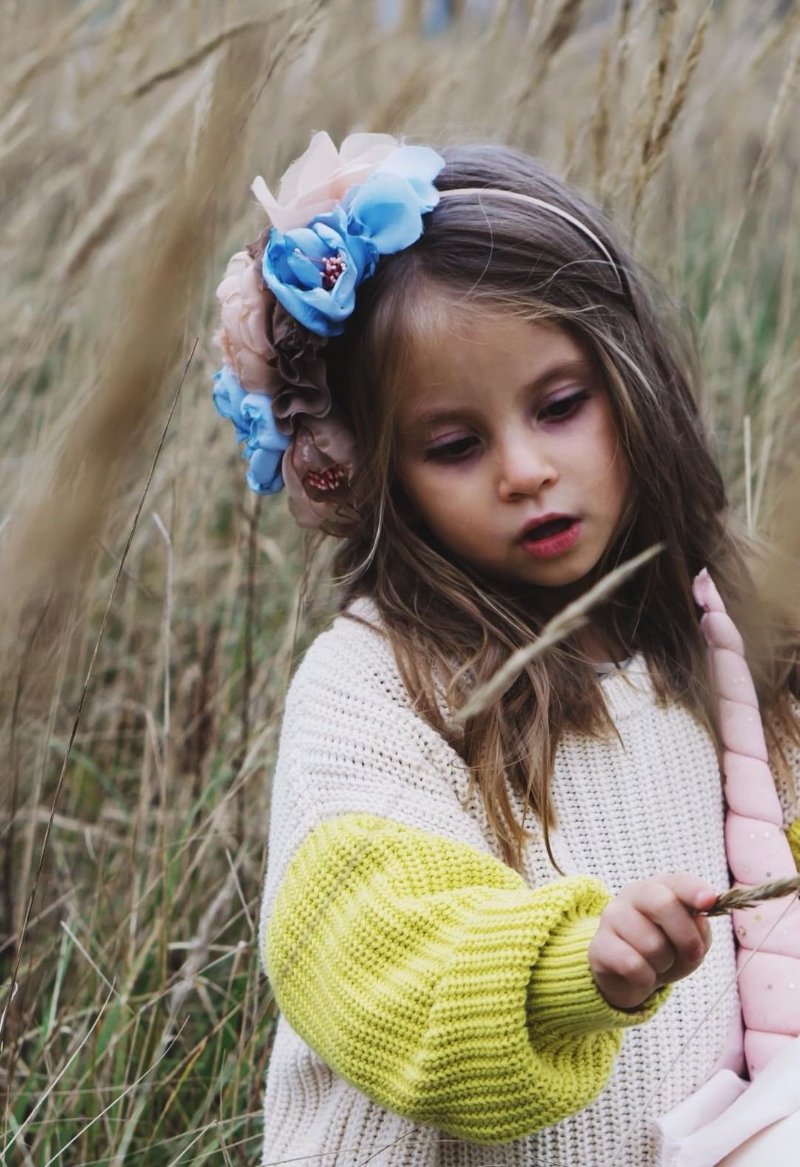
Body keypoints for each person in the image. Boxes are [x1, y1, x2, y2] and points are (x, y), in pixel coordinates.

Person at [211, 133, 800, 1165]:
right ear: (374, 468)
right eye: (453, 445)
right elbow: (374, 946)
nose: (524, 470)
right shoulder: (373, 689)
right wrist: (567, 965)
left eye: (559, 406)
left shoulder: (716, 628)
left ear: (632, 382)